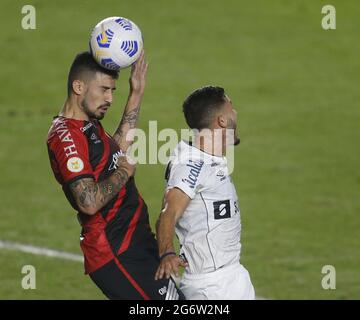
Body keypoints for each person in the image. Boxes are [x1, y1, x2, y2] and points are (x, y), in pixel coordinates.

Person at [47, 50, 182, 300]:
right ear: (79, 86)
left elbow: (115, 153)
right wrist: (123, 172)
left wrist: (136, 92)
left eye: (113, 91)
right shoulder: (67, 138)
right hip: (115, 250)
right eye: (104, 90)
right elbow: (88, 202)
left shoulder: (87, 123)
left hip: (133, 240)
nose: (110, 98)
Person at [155, 85, 255, 300]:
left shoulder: (209, 161)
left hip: (232, 277)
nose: (235, 113)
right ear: (222, 121)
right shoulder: (192, 165)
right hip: (213, 288)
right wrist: (167, 252)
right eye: (231, 108)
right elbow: (168, 212)